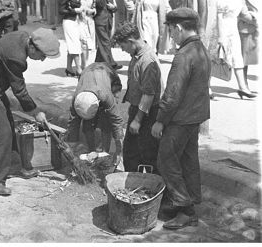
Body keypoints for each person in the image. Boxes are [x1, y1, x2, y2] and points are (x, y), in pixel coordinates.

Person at [0, 28, 60, 196]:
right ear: (33, 47)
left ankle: (18, 167)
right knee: (1, 135)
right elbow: (19, 90)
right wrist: (34, 111)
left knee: (9, 125)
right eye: (43, 55)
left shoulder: (23, 36)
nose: (42, 59)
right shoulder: (16, 58)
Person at [151, 8, 211, 229]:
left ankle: (184, 207)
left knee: (165, 160)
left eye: (170, 30)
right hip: (195, 116)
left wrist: (160, 121)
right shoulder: (201, 49)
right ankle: (190, 204)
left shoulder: (184, 55)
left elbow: (172, 94)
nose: (171, 35)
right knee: (188, 161)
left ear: (177, 28)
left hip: (181, 119)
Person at [113, 22, 162, 173]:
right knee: (131, 153)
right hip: (138, 110)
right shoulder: (136, 55)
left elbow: (149, 95)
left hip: (147, 114)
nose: (122, 50)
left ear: (131, 41)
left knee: (147, 154)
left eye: (123, 46)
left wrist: (137, 120)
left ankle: (151, 189)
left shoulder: (147, 60)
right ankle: (135, 185)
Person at [66, 62, 124, 164]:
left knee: (107, 120)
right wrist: (72, 151)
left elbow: (116, 121)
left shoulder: (106, 96)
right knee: (88, 124)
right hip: (87, 74)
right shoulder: (76, 99)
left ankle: (104, 154)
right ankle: (91, 152)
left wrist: (119, 151)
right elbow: (73, 124)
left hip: (110, 77)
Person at [212, 0, 257, 99]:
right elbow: (218, 17)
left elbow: (244, 15)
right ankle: (206, 89)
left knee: (237, 58)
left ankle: (243, 88)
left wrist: (256, 19)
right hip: (220, 30)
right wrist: (220, 37)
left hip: (233, 31)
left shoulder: (241, 1)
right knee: (214, 60)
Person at [94, 0, 122, 70]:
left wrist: (113, 7)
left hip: (108, 21)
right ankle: (111, 64)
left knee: (103, 43)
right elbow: (98, 4)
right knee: (106, 42)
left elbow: (115, 8)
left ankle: (98, 63)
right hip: (100, 21)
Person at [238, 0, 259, 94]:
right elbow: (242, 13)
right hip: (247, 29)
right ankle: (244, 86)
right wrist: (257, 20)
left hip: (256, 29)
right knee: (245, 59)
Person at [59, 0, 83, 77]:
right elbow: (61, 10)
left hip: (77, 21)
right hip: (69, 22)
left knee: (72, 45)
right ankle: (79, 69)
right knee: (75, 44)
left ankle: (69, 68)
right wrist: (74, 11)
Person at [79, 0, 96, 70]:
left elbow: (95, 9)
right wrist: (85, 10)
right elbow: (76, 7)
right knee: (83, 42)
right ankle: (84, 64)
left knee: (90, 43)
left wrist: (93, 11)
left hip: (90, 21)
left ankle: (87, 63)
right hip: (80, 21)